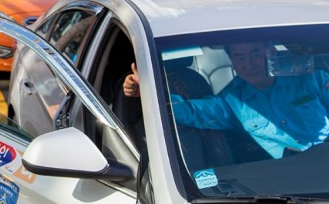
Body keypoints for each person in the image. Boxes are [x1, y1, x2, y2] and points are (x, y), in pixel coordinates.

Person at [123, 42, 329, 159]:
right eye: (240, 58)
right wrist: (149, 92)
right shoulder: (232, 101)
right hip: (287, 181)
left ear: (271, 52)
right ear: (234, 64)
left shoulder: (311, 77)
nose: (249, 64)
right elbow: (190, 112)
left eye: (255, 54)